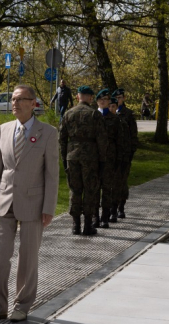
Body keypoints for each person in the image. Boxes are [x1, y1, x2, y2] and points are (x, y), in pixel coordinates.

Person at [0, 85, 59, 323]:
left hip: (34, 204)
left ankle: (22, 305)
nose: (14, 103)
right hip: (4, 201)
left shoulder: (47, 132)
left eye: (19, 99)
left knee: (28, 256)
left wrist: (48, 208)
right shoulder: (4, 129)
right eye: (12, 99)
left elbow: (51, 173)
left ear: (33, 103)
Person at [59, 85, 108, 236]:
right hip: (90, 156)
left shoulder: (68, 114)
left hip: (72, 155)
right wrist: (102, 160)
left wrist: (64, 158)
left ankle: (75, 224)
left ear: (78, 96)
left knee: (75, 189)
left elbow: (62, 139)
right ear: (90, 97)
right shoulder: (94, 115)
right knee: (90, 189)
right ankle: (87, 224)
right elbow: (102, 140)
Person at [93, 90, 126, 229]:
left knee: (107, 188)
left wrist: (119, 159)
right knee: (93, 188)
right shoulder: (92, 117)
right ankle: (95, 217)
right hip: (93, 157)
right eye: (100, 99)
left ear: (109, 101)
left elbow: (120, 141)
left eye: (105, 99)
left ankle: (105, 217)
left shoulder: (115, 119)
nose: (103, 101)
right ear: (97, 101)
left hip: (109, 158)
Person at [113, 87, 138, 219]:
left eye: (120, 98)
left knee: (122, 181)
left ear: (123, 98)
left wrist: (131, 151)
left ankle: (121, 207)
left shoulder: (128, 114)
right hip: (112, 154)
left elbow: (134, 134)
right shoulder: (110, 112)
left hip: (125, 154)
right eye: (116, 98)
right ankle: (111, 207)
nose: (118, 100)